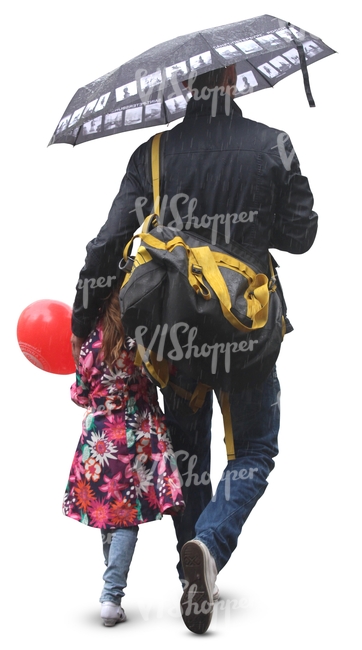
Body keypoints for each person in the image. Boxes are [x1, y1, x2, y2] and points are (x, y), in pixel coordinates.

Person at [70, 63, 318, 634]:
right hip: (249, 331)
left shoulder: (152, 157)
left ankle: (193, 567)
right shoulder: (273, 145)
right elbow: (302, 236)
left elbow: (107, 245)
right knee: (255, 448)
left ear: (187, 85)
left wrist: (85, 324)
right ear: (234, 79)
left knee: (188, 459)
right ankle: (209, 543)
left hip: (175, 336)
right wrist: (255, 225)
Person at [64, 288, 185, 627]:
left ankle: (110, 594)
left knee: (108, 514)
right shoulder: (141, 338)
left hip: (101, 437)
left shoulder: (88, 342)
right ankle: (111, 595)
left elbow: (80, 393)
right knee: (125, 517)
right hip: (139, 433)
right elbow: (166, 375)